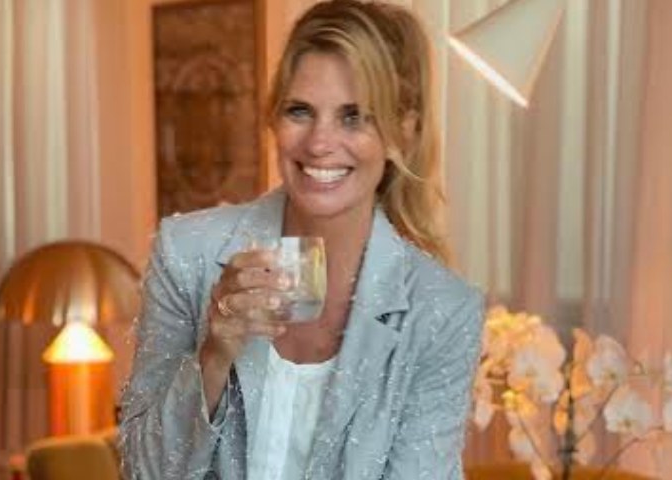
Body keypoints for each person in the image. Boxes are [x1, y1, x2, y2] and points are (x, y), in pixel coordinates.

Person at [119, 1, 484, 478]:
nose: (318, 143)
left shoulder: (442, 312)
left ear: (403, 133)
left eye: (354, 117)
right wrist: (214, 354)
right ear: (273, 118)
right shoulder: (187, 253)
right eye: (300, 111)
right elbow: (142, 471)